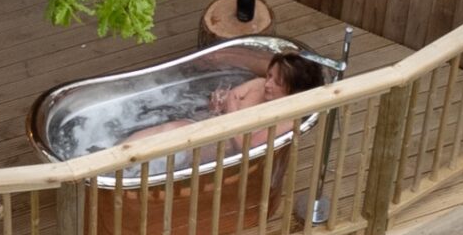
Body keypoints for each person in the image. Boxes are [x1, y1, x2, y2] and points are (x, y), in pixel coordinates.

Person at [126, 51, 326, 163]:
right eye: (270, 75)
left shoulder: (286, 121)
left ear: (293, 91)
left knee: (169, 134)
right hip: (202, 125)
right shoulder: (258, 85)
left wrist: (231, 109)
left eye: (277, 82)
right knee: (165, 131)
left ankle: (117, 166)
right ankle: (116, 155)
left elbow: (247, 150)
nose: (268, 84)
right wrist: (218, 101)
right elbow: (225, 100)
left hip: (211, 149)